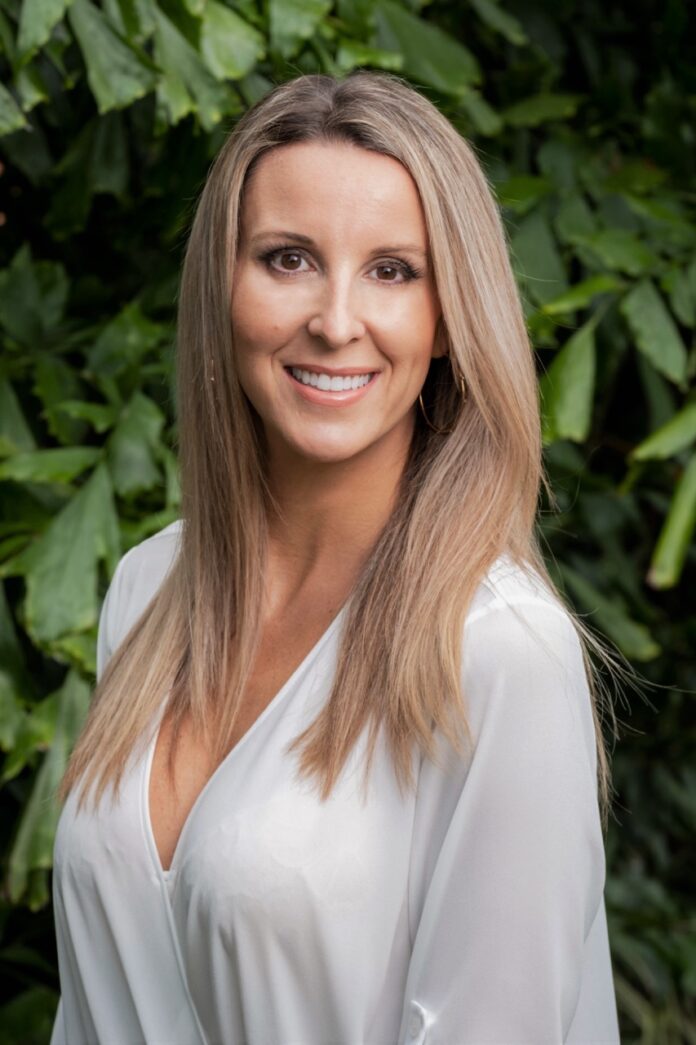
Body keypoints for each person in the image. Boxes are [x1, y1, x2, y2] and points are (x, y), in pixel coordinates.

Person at [50, 69, 623, 1044]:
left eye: (393, 269)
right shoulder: (146, 590)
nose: (336, 318)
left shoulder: (499, 650)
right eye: (288, 258)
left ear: (448, 318)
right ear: (220, 288)